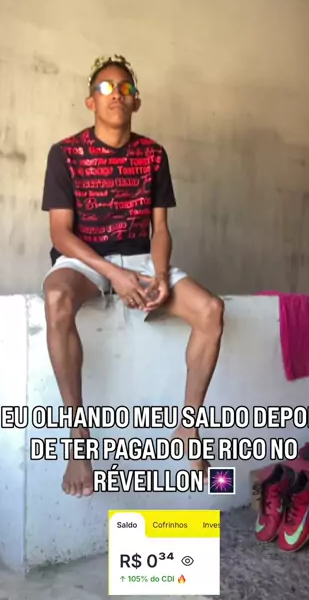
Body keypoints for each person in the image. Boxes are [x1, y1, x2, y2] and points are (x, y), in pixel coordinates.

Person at [41, 54, 225, 497]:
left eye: (125, 88)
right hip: (87, 259)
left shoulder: (153, 155)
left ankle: (188, 427)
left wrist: (159, 274)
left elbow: (160, 229)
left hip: (141, 258)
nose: (116, 95)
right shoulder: (65, 154)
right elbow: (61, 234)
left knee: (211, 310)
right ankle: (78, 438)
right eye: (105, 88)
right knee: (56, 298)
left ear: (136, 101)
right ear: (90, 101)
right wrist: (113, 274)